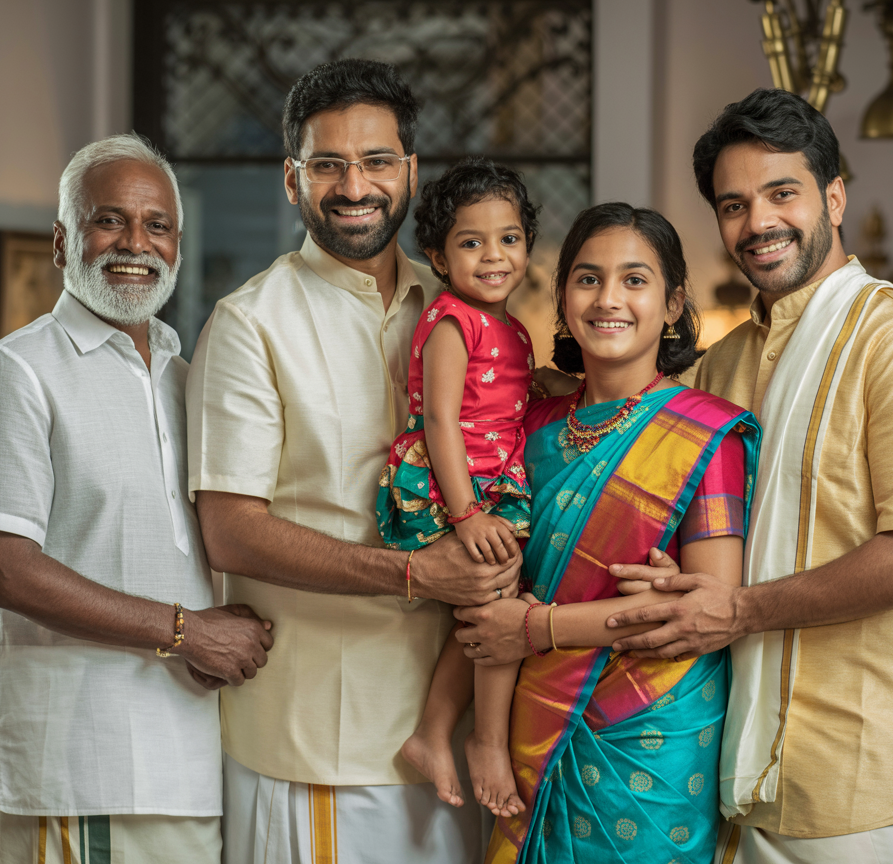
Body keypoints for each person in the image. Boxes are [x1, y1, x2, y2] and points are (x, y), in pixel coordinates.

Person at [604, 89, 893, 863]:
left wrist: (741, 611)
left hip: (859, 776)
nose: (758, 224)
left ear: (835, 195)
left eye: (783, 194)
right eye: (734, 205)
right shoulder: (725, 361)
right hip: (733, 766)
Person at [186, 60, 521, 863]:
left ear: (409, 170)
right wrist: (414, 574)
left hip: (452, 739)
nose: (353, 185)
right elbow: (230, 533)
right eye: (326, 164)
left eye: (375, 161)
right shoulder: (249, 325)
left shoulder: (460, 308)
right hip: (318, 749)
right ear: (292, 181)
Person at [0, 134, 274, 864]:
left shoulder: (185, 377)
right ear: (63, 242)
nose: (135, 242)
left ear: (179, 245)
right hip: (75, 767)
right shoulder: (19, 373)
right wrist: (191, 632)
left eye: (156, 224)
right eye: (109, 220)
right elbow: (10, 571)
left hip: (189, 760)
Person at [456, 203, 760, 864]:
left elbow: (704, 606)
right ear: (563, 301)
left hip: (652, 732)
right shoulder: (528, 428)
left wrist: (539, 629)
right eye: (588, 279)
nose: (608, 299)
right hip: (529, 723)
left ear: (674, 303)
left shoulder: (707, 436)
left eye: (635, 280)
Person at [379, 157, 537, 819]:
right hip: (453, 486)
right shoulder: (453, 321)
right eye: (471, 243)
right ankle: (482, 740)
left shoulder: (511, 326)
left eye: (509, 238)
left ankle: (434, 732)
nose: (493, 255)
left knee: (489, 610)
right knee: (500, 608)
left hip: (492, 480)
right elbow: (440, 418)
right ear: (438, 258)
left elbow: (510, 395)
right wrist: (466, 514)